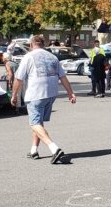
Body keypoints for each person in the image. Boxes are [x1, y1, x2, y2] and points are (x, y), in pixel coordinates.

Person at [11, 35, 76, 164]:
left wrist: (14, 95)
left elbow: (19, 79)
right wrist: (70, 93)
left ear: (31, 45)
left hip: (36, 94)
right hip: (50, 94)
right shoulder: (52, 57)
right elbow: (62, 77)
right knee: (38, 122)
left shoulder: (28, 57)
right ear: (43, 44)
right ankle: (34, 150)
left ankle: (54, 148)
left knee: (34, 123)